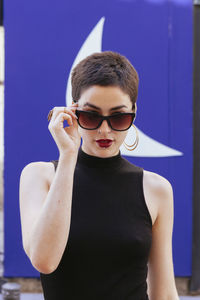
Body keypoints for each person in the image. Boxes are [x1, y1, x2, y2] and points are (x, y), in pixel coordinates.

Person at [19, 51, 179, 299]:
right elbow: (44, 260)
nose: (105, 130)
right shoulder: (40, 176)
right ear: (73, 110)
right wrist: (68, 156)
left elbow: (164, 293)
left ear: (134, 112)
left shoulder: (156, 189)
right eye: (91, 116)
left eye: (119, 117)